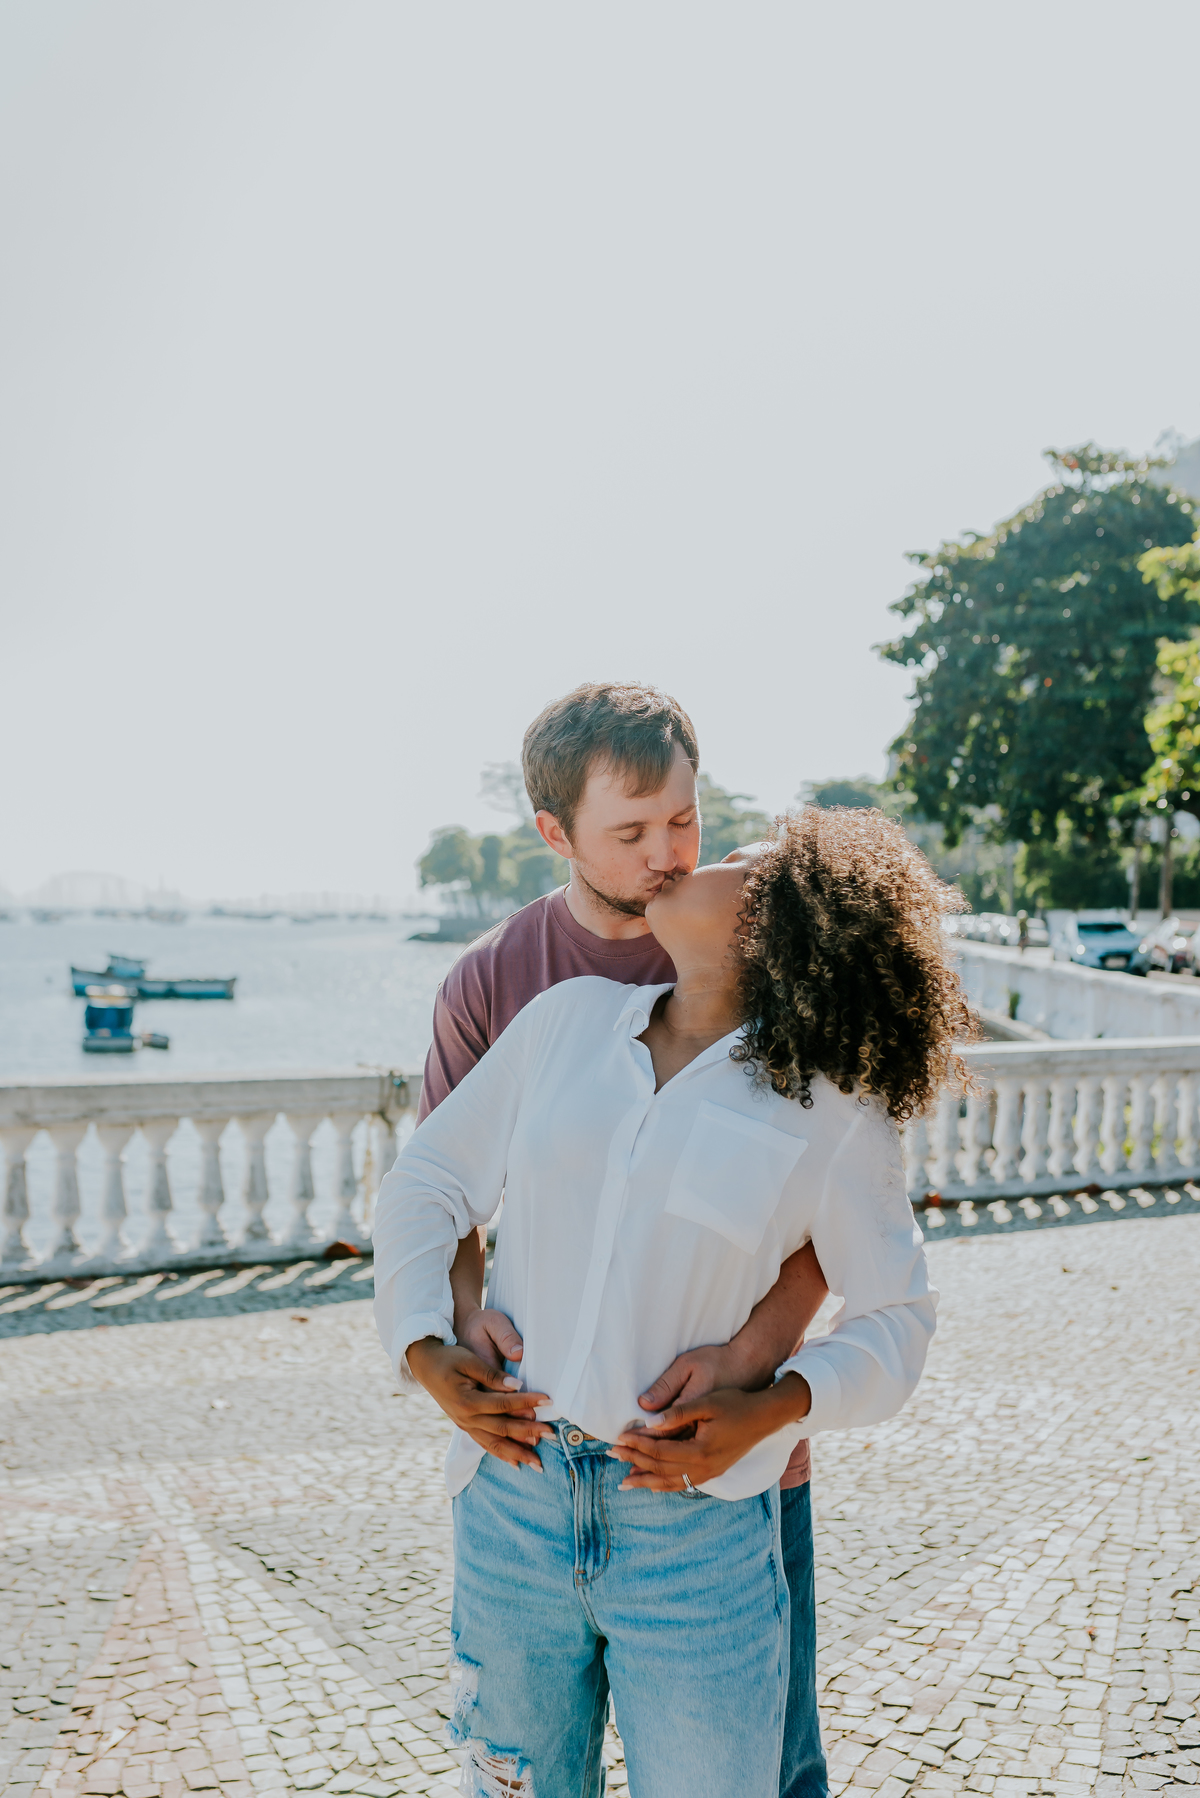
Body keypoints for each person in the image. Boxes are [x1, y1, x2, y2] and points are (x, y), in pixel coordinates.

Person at [374, 803, 969, 1797]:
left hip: (695, 1533)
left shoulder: (829, 1106)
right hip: (511, 1501)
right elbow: (426, 1183)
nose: (694, 857)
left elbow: (899, 1318)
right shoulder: (562, 1024)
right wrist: (422, 1346)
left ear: (781, 922)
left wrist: (774, 1404)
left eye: (738, 858)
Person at [416, 681, 831, 1795]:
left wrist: (751, 1371)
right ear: (557, 833)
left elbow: (829, 1215)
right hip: (540, 1457)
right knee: (522, 1761)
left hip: (725, 1464)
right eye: (632, 831)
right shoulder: (497, 983)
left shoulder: (748, 945)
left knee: (773, 1759)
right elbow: (443, 1189)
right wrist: (459, 1329)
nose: (669, 855)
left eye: (685, 820)